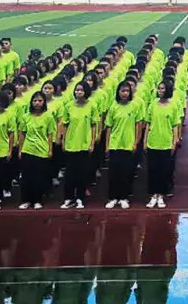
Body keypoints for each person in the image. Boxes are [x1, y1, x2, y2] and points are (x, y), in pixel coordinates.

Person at [145, 79, 184, 208]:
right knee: (152, 170)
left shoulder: (173, 106)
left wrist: (175, 140)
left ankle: (161, 195)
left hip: (166, 142)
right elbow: (148, 124)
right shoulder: (152, 104)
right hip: (153, 142)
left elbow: (175, 125)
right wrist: (145, 141)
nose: (160, 91)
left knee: (163, 170)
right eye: (158, 88)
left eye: (162, 89)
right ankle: (153, 195)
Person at [60, 81, 98, 209]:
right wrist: (63, 141)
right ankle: (68, 198)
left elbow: (94, 126)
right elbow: (64, 125)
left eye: (81, 90)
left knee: (82, 173)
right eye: (77, 90)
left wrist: (92, 142)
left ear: (86, 91)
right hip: (71, 144)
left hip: (84, 144)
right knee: (70, 174)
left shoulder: (92, 105)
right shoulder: (69, 106)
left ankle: (80, 198)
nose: (78, 92)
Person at [105, 81, 144, 209]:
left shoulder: (134, 106)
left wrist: (136, 142)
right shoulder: (113, 106)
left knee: (126, 173)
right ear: (118, 92)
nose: (125, 93)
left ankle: (123, 197)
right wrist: (107, 145)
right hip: (115, 144)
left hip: (128, 144)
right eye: (122, 91)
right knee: (113, 173)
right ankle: (113, 197)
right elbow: (109, 127)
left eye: (127, 91)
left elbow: (138, 125)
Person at [17, 90, 55, 209]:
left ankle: (37, 200)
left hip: (42, 150)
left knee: (39, 177)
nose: (37, 103)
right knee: (27, 177)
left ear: (44, 102)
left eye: (40, 100)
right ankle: (26, 200)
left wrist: (50, 150)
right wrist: (20, 150)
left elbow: (50, 135)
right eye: (34, 101)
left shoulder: (48, 116)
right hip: (28, 149)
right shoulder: (25, 116)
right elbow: (22, 134)